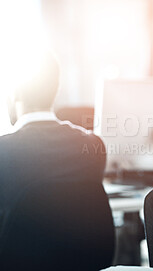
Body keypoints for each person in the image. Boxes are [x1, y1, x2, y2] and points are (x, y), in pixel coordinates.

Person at [0, 50, 113, 269]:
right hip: (83, 262)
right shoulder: (93, 145)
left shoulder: (3, 151)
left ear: (14, 94)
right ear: (56, 90)